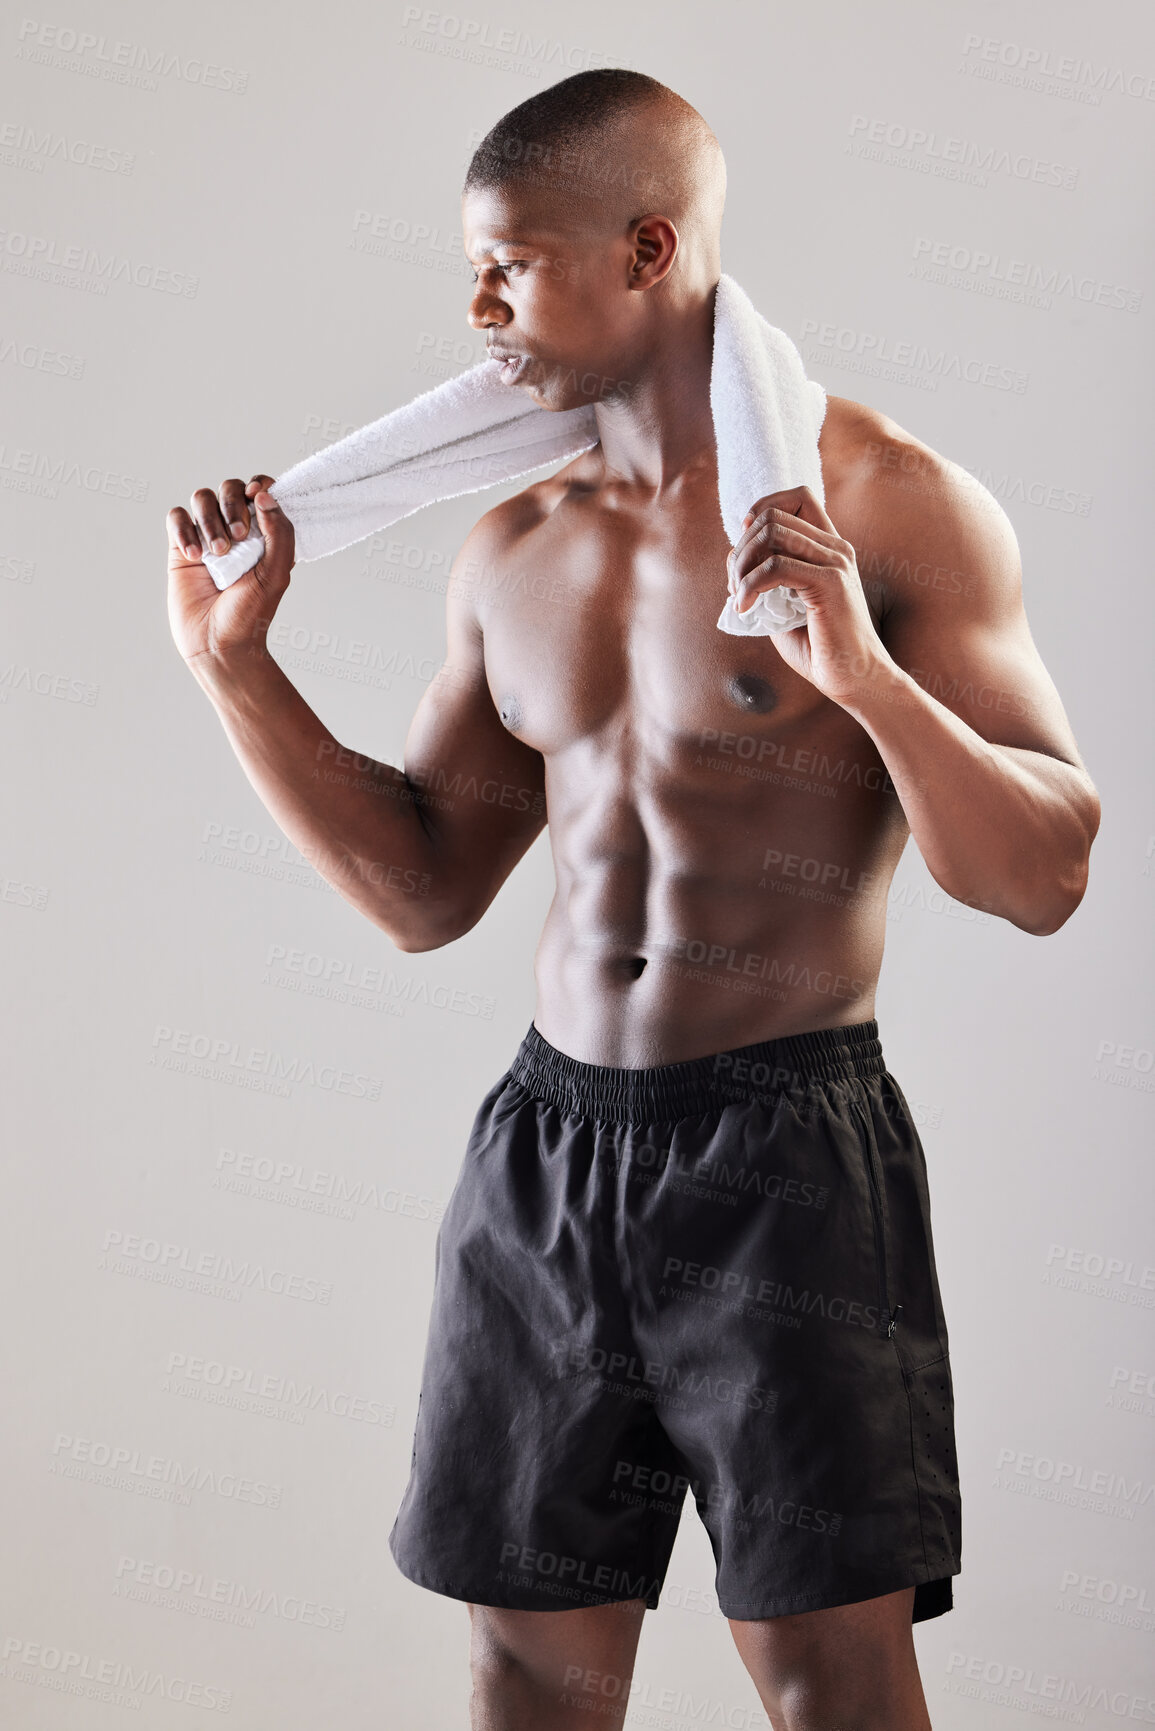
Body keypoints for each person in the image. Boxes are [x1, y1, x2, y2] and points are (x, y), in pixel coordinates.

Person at [166, 67, 1100, 1731]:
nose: (477, 308)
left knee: (830, 1675)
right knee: (526, 1661)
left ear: (649, 249)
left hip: (788, 1158)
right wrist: (237, 674)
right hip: (546, 1153)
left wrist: (869, 680)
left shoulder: (886, 511)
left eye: (510, 264)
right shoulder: (515, 543)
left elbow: (1044, 873)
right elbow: (423, 891)